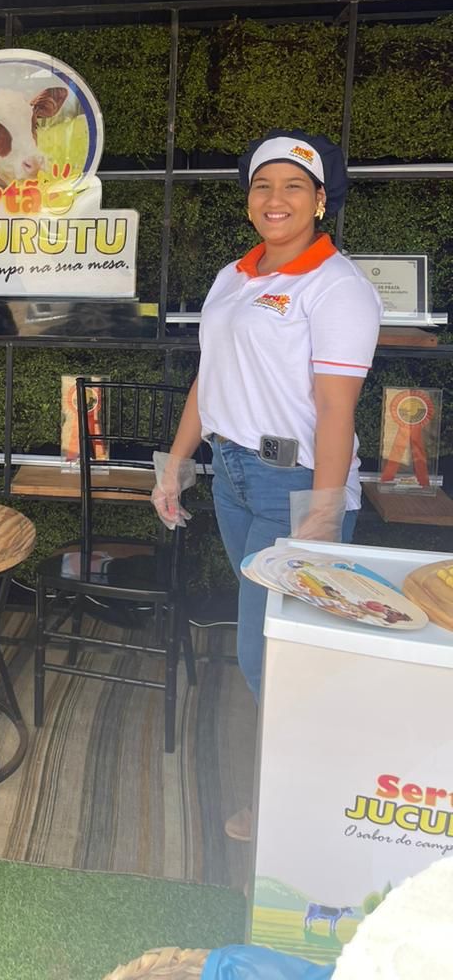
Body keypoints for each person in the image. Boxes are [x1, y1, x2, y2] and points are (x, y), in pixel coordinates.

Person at [151, 129, 382, 839]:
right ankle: (313, 792)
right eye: (262, 185)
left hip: (297, 483)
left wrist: (319, 517)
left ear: (320, 200)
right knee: (273, 649)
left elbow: (338, 413)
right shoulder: (234, 276)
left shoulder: (337, 287)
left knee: (271, 654)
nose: (274, 199)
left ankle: (306, 806)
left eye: (293, 186)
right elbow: (209, 379)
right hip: (234, 476)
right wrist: (177, 460)